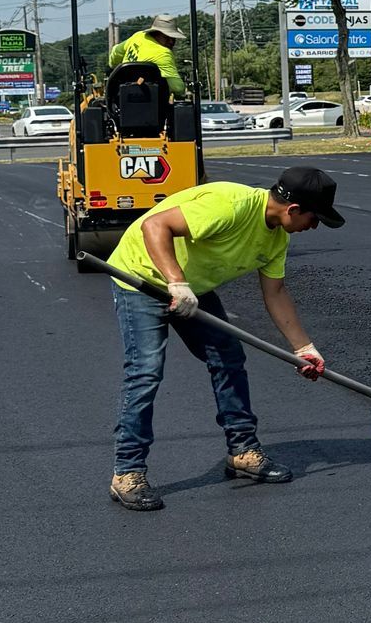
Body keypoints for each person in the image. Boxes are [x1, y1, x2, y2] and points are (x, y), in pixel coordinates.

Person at [105, 164, 342, 511]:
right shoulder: (230, 204)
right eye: (314, 217)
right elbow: (154, 225)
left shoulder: (277, 237)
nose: (315, 226)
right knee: (145, 372)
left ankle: (243, 451)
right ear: (293, 210)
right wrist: (176, 282)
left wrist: (303, 348)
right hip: (140, 278)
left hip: (191, 288)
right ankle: (126, 473)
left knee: (228, 357)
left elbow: (275, 293)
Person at [107, 14, 185, 93]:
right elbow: (177, 88)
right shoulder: (164, 53)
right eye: (166, 37)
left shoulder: (138, 36)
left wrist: (115, 67)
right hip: (152, 102)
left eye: (173, 38)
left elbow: (116, 51)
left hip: (121, 97)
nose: (171, 41)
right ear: (155, 33)